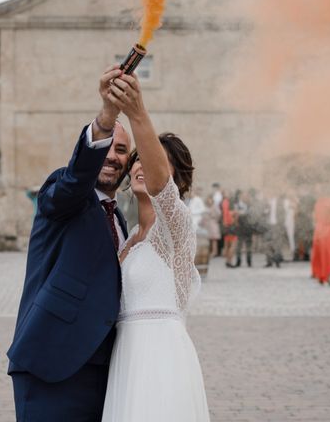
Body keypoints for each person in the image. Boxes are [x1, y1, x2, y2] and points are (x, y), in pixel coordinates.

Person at [7, 65, 131, 421]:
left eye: (122, 151)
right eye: (109, 147)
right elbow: (78, 177)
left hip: (106, 371)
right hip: (53, 364)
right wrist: (107, 119)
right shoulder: (64, 192)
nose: (113, 156)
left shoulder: (120, 219)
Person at [102, 67, 209, 421]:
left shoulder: (176, 230)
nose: (141, 166)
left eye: (154, 161)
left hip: (162, 358)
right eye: (138, 159)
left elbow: (162, 188)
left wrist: (136, 112)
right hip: (125, 359)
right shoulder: (127, 236)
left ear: (176, 178)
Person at [311, 195, 330, 285]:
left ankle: (321, 276)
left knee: (320, 254)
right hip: (328, 230)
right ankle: (327, 276)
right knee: (329, 255)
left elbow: (315, 216)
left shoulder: (318, 202)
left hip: (319, 229)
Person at [234, 190, 254, 268]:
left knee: (249, 245)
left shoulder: (250, 205)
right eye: (244, 196)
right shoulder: (237, 204)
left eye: (246, 197)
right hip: (240, 227)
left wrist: (240, 213)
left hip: (248, 227)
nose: (245, 198)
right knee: (239, 245)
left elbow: (251, 213)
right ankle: (238, 261)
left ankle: (249, 261)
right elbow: (236, 214)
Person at [221, 190, 238, 268]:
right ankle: (230, 262)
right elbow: (231, 213)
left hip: (225, 225)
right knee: (233, 245)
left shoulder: (223, 202)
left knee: (227, 245)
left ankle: (227, 261)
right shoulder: (230, 202)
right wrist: (236, 213)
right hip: (231, 225)